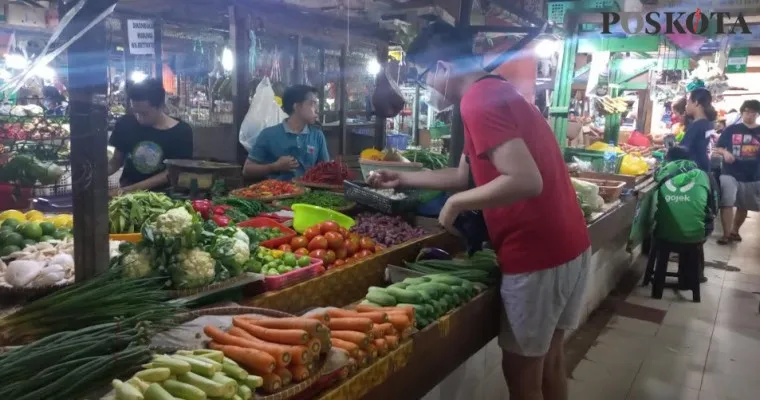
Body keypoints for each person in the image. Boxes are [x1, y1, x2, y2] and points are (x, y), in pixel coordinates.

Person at [368, 21, 590, 400]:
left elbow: (526, 180)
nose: (425, 89)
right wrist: (402, 179)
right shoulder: (493, 90)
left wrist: (456, 205)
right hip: (570, 245)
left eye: (423, 78)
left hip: (536, 253)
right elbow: (461, 175)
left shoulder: (477, 101)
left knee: (522, 376)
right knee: (550, 363)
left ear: (442, 67)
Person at [108, 78, 193, 195]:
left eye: (144, 113)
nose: (139, 118)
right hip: (126, 193)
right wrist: (95, 177)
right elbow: (116, 161)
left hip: (162, 197)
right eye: (135, 112)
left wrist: (129, 190)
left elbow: (171, 173)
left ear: (161, 106)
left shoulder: (181, 132)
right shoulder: (125, 124)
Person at [653, 146, 716, 283]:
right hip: (696, 234)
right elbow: (713, 208)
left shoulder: (661, 173)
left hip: (664, 232)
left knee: (678, 222)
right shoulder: (705, 176)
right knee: (697, 225)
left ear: (667, 159)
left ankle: (681, 277)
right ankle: (693, 277)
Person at [243, 84, 329, 180]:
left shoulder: (317, 136)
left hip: (310, 193)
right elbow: (247, 170)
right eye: (312, 103)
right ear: (297, 106)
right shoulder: (268, 135)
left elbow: (326, 170)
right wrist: (274, 166)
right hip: (277, 192)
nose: (317, 109)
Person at [714, 100, 760, 245]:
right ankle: (726, 234)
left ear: (758, 114)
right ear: (742, 112)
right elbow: (718, 147)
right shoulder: (731, 130)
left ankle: (735, 231)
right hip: (730, 171)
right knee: (727, 201)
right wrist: (725, 153)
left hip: (752, 175)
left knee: (743, 204)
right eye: (747, 111)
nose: (750, 115)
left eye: (753, 112)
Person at [681, 88, 718, 172]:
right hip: (705, 169)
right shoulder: (709, 124)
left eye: (688, 102)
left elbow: (683, 150)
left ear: (696, 102)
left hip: (694, 172)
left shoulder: (696, 126)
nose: (686, 106)